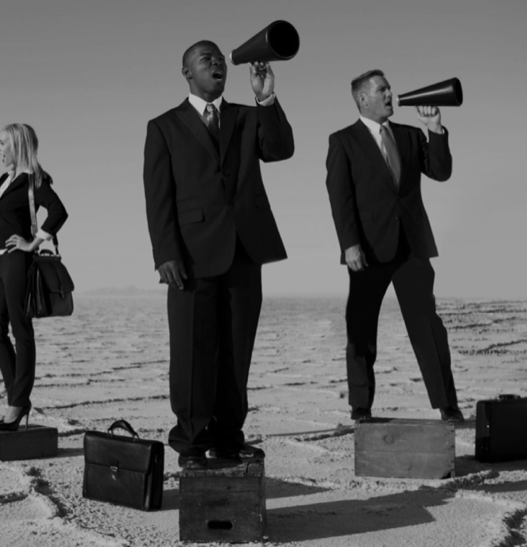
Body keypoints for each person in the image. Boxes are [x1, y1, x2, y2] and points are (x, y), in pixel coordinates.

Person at [143, 41, 294, 469]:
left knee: (236, 350)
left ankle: (228, 436)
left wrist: (266, 96)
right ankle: (191, 438)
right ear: (186, 72)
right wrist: (165, 253)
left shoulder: (248, 116)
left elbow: (281, 149)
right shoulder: (164, 126)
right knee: (192, 351)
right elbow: (158, 197)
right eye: (206, 59)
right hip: (189, 257)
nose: (217, 63)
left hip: (245, 250)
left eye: (220, 59)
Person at [325, 70, 463, 424]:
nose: (390, 94)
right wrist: (349, 244)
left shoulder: (411, 135)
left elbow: (442, 172)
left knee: (428, 327)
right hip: (368, 249)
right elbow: (340, 198)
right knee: (361, 326)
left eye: (389, 88)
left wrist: (435, 129)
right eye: (381, 89)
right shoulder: (343, 140)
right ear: (362, 99)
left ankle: (448, 406)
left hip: (412, 246)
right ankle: (361, 408)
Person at [0, 124, 67, 431]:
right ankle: (17, 398)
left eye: (3, 143)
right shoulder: (6, 180)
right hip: (1, 261)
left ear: (18, 145)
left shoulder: (34, 180)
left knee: (21, 331)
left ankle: (17, 403)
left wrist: (33, 242)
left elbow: (59, 211)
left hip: (19, 261)